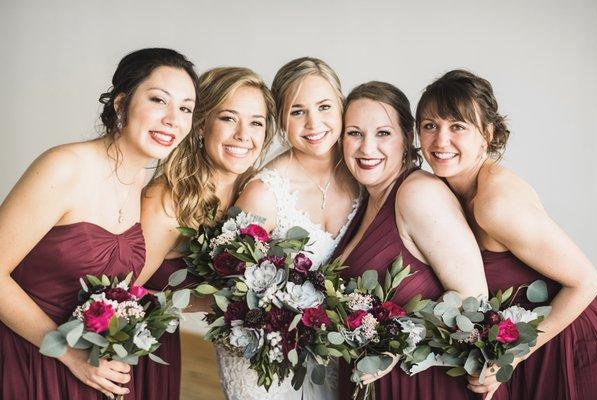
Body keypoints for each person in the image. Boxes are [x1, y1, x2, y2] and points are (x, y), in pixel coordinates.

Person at [0, 48, 198, 399]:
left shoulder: (142, 188)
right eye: (158, 100)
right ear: (121, 104)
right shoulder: (65, 167)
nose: (173, 119)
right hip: (26, 356)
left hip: (87, 367)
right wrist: (68, 352)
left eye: (185, 108)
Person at [416, 69, 597, 400]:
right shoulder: (445, 189)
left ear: (487, 133)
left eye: (458, 126)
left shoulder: (495, 204)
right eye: (430, 126)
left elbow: (586, 281)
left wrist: (511, 356)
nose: (440, 141)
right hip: (526, 342)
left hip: (568, 339)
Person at [335, 81, 488, 400]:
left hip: (421, 386)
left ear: (407, 138)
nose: (366, 148)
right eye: (354, 133)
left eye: (383, 133)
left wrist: (394, 345)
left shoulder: (418, 194)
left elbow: (474, 299)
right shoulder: (366, 197)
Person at [133, 66, 276, 400]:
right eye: (228, 118)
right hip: (138, 341)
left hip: (166, 342)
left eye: (256, 122)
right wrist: (215, 299)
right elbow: (123, 296)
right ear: (200, 124)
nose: (244, 135)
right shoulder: (169, 199)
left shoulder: (255, 193)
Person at [233, 57, 361, 400]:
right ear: (280, 120)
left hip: (342, 355)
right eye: (297, 111)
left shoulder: (364, 176)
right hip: (273, 363)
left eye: (324, 107)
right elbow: (234, 295)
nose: (313, 123)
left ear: (342, 106)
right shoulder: (263, 192)